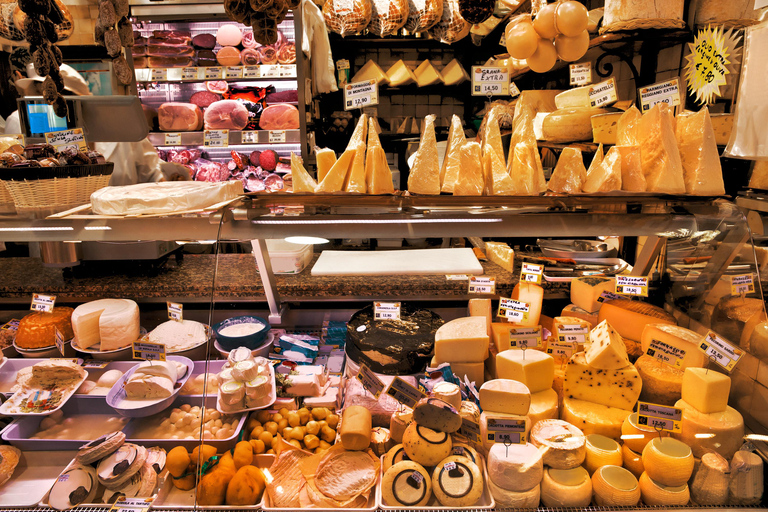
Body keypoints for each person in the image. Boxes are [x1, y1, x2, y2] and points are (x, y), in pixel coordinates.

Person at [5, 62, 188, 185]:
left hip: (123, 233)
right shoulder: (19, 123)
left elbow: (152, 176)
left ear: (82, 103)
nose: (50, 109)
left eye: (59, 101)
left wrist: (170, 182)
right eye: (40, 98)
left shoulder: (119, 128)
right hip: (53, 233)